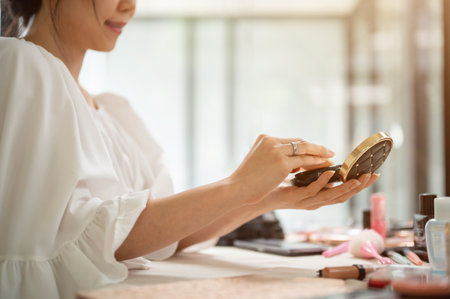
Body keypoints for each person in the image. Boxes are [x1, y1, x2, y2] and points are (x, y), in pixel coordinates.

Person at [0, 0, 379, 298]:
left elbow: (163, 234)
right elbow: (107, 240)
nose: (130, 6)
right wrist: (236, 186)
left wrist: (265, 198)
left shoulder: (113, 111)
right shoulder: (22, 65)